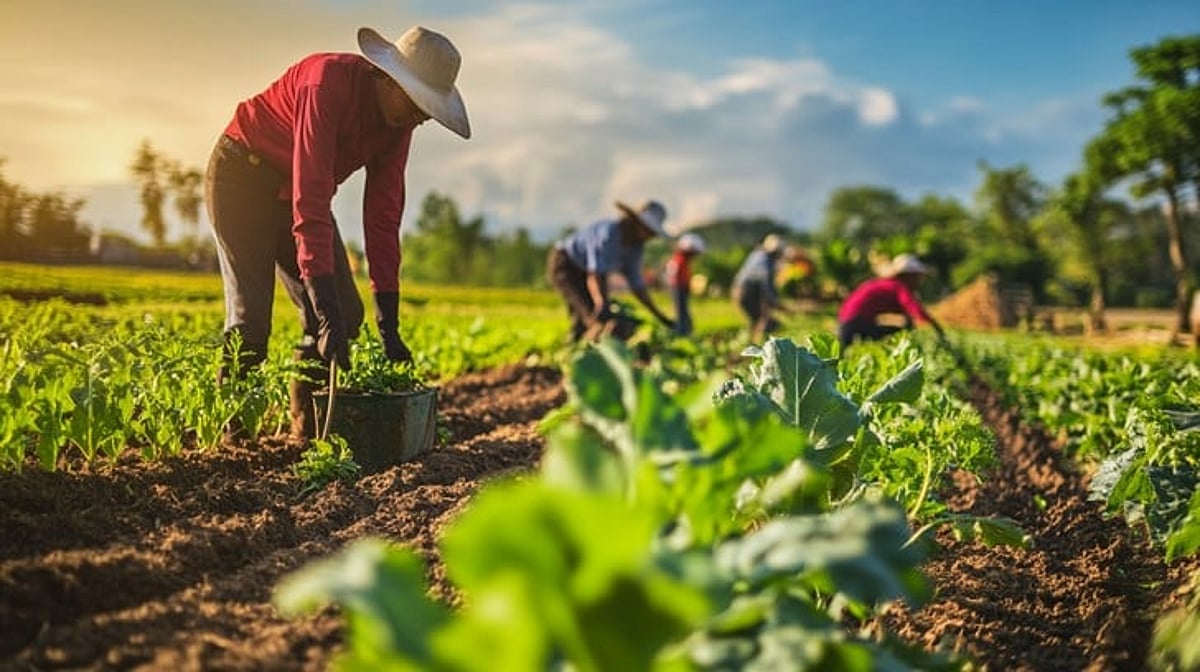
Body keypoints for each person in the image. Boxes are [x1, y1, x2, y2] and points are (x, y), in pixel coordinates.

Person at [205, 25, 470, 440]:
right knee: (251, 322)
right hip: (243, 176)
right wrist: (322, 307)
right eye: (419, 104)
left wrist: (389, 321)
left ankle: (306, 429)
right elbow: (310, 197)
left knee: (347, 314)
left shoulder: (398, 128)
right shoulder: (325, 83)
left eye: (428, 112)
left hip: (294, 193)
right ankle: (230, 437)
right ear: (389, 78)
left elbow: (383, 218)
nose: (420, 119)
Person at [547, 200, 676, 343]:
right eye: (648, 230)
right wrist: (602, 303)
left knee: (590, 316)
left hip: (587, 272)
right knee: (590, 316)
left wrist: (658, 315)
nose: (650, 236)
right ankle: (579, 349)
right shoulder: (609, 234)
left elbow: (637, 285)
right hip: (566, 264)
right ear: (636, 223)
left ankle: (578, 343)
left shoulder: (635, 248)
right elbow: (596, 273)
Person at [836, 253, 946, 350]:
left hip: (845, 324)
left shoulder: (884, 284)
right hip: (856, 324)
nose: (919, 281)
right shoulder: (898, 287)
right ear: (908, 276)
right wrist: (936, 327)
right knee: (903, 332)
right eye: (917, 277)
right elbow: (915, 310)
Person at [732, 233, 786, 341]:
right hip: (746, 292)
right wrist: (775, 302)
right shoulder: (765, 262)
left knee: (757, 319)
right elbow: (766, 286)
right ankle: (758, 344)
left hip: (738, 290)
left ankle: (752, 342)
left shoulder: (757, 254)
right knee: (764, 320)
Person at [665, 233, 706, 337]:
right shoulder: (678, 259)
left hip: (681, 287)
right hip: (678, 288)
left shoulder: (684, 260)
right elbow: (673, 275)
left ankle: (686, 331)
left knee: (683, 311)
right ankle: (681, 333)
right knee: (681, 311)